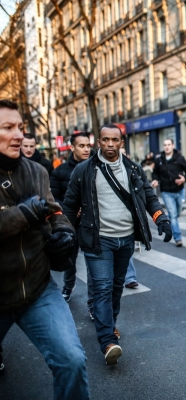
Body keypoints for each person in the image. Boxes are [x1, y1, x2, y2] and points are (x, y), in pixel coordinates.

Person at [0, 99, 90, 398]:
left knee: (72, 360)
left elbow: (54, 211)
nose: (18, 135)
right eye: (8, 128)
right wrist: (23, 214)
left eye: (21, 128)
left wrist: (64, 232)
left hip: (37, 289)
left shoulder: (37, 171)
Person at [63, 124, 172, 365]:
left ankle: (109, 324)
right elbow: (70, 205)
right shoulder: (84, 170)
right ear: (98, 142)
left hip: (126, 240)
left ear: (121, 142)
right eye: (105, 140)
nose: (110, 144)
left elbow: (148, 196)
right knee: (102, 287)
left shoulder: (133, 168)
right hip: (98, 240)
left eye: (115, 140)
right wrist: (65, 233)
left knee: (116, 286)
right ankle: (107, 341)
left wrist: (160, 218)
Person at [50, 131, 92, 303]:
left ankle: (93, 301)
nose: (86, 149)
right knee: (70, 259)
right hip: (71, 222)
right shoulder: (60, 171)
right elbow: (54, 197)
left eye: (88, 145)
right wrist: (71, 210)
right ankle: (69, 285)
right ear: (72, 147)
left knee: (93, 264)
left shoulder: (96, 167)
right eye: (81, 146)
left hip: (91, 224)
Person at [151, 138, 186, 247]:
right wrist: (155, 180)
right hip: (166, 191)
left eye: (169, 144)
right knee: (173, 215)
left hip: (179, 190)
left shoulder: (179, 158)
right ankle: (178, 238)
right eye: (165, 145)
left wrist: (185, 178)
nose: (167, 147)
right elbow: (155, 173)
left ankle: (169, 217)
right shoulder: (159, 159)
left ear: (173, 145)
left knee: (177, 213)